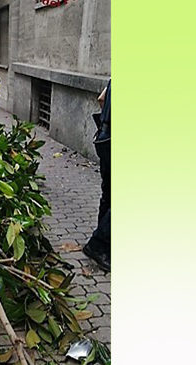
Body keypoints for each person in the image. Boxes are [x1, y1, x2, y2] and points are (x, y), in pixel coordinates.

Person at [83, 79, 111, 271]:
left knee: (109, 193)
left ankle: (103, 239)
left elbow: (101, 99)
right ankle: (98, 244)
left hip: (105, 138)